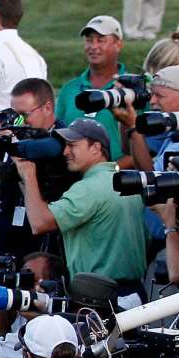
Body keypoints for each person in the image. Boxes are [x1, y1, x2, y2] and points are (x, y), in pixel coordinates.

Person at [21, 119, 148, 292]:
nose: (65, 152)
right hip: (133, 291)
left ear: (96, 147)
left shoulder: (88, 188)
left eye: (72, 146)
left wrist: (28, 174)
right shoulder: (126, 180)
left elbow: (39, 223)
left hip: (100, 294)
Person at [55, 16, 129, 156]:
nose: (93, 46)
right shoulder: (70, 89)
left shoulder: (131, 89)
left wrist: (109, 171)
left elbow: (144, 146)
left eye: (101, 40)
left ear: (118, 45)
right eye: (89, 40)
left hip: (117, 175)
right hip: (72, 172)